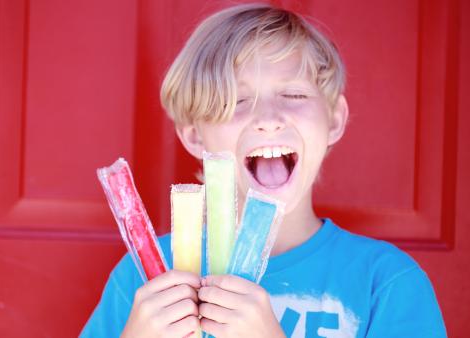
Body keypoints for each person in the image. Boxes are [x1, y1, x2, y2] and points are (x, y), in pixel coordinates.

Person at [80, 3, 447, 337]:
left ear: (334, 121)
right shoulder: (143, 280)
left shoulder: (386, 283)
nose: (268, 119)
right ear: (194, 135)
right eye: (237, 100)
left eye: (294, 95)